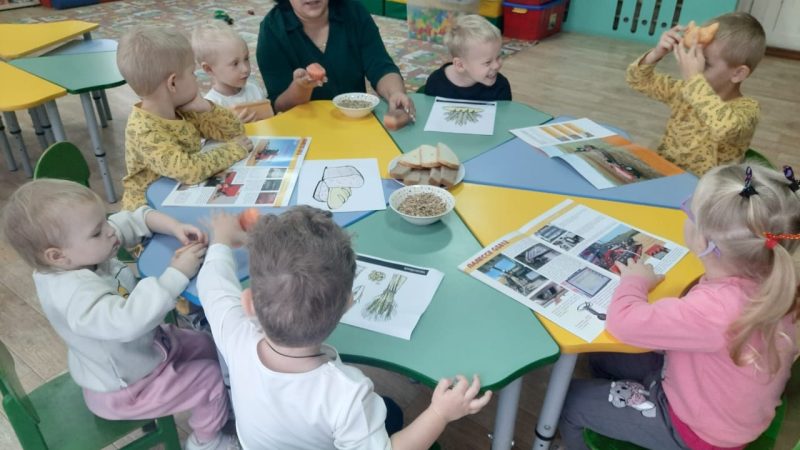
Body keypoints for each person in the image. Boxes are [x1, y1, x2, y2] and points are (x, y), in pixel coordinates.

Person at [197, 205, 492, 449]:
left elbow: (213, 282)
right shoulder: (346, 394)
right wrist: (439, 413)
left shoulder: (235, 334)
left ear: (248, 304)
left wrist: (221, 239)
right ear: (349, 304)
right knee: (390, 416)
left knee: (389, 411)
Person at [559, 164, 800, 449]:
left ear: (704, 241)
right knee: (604, 357)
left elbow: (623, 323)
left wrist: (635, 281)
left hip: (698, 431)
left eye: (688, 210)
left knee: (569, 401)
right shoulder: (780, 281)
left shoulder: (715, 310)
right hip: (729, 409)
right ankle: (618, 419)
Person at [0, 179, 237, 450]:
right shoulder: (71, 295)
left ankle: (217, 407)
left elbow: (133, 220)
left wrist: (175, 227)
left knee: (208, 344)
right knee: (210, 379)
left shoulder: (83, 250)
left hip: (148, 352)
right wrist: (177, 274)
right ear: (57, 256)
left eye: (104, 221)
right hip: (126, 390)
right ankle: (207, 441)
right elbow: (128, 322)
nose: (110, 231)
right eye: (97, 231)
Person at [117, 25, 254, 211]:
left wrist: (206, 107)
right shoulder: (144, 130)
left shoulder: (181, 108)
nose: (196, 79)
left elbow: (234, 131)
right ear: (173, 83)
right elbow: (189, 170)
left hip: (178, 195)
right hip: (148, 212)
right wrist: (235, 150)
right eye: (191, 73)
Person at [626, 12, 766, 176]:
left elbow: (726, 127)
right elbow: (638, 80)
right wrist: (656, 53)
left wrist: (694, 81)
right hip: (664, 176)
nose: (694, 68)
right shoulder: (686, 90)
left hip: (706, 192)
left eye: (704, 63)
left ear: (737, 74)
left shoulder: (748, 109)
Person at [256, 0, 416, 118]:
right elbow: (278, 106)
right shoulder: (272, 30)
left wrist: (396, 94)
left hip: (356, 123)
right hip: (304, 130)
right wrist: (301, 88)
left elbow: (381, 66)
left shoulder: (354, 12)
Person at [191, 22, 272, 123]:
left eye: (246, 59)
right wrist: (231, 127)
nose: (245, 69)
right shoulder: (211, 106)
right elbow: (209, 138)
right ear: (209, 69)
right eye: (235, 63)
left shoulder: (254, 89)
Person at [423, 14, 512, 101]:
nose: (496, 65)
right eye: (488, 62)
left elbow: (504, 114)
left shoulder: (501, 86)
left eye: (498, 57)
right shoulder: (436, 83)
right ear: (460, 65)